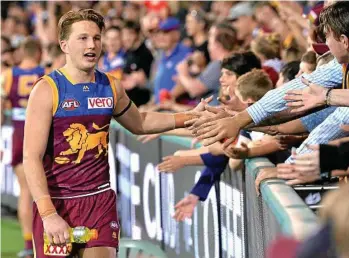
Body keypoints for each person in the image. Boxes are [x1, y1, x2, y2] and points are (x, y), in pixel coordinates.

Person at [23, 9, 205, 258]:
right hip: (56, 202)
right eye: (83, 38)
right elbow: (31, 157)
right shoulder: (47, 90)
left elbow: (139, 121)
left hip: (99, 202)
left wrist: (190, 116)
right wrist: (48, 213)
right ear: (64, 45)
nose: (93, 45)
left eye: (97, 38)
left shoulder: (110, 86)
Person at [1, 37, 45, 258]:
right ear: (38, 52)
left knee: (26, 191)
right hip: (44, 135)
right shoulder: (46, 74)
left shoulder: (8, 76)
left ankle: (29, 245)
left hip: (20, 134)